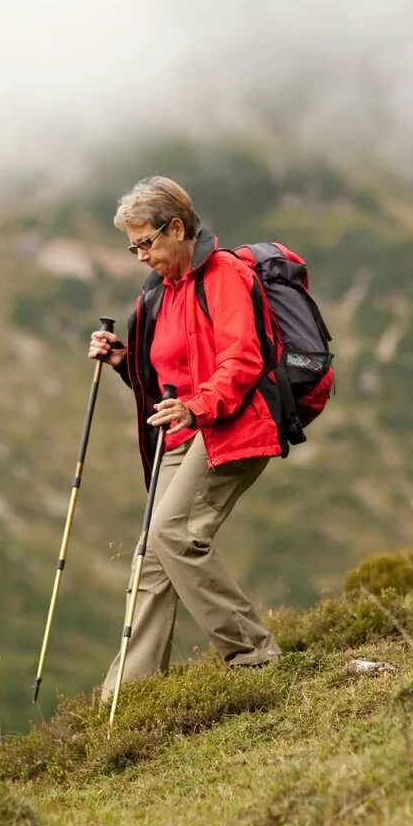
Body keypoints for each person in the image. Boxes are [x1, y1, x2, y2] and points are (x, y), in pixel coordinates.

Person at [88, 176, 282, 693]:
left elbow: (243, 361)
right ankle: (127, 696)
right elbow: (162, 380)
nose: (140, 256)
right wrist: (121, 359)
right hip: (184, 432)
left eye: (146, 243)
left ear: (177, 228)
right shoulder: (161, 293)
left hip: (232, 424)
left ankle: (256, 657)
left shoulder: (222, 276)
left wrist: (197, 408)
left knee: (175, 534)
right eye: (133, 247)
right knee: (152, 557)